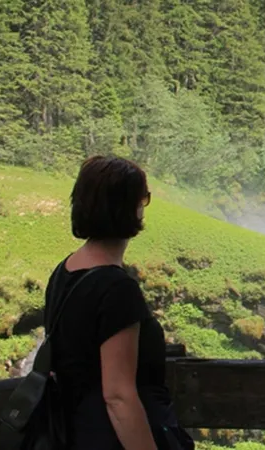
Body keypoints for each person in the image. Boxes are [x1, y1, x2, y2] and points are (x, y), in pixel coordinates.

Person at [47, 155, 192, 449]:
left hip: (75, 433)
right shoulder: (117, 289)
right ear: (127, 208)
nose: (144, 207)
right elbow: (118, 395)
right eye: (144, 198)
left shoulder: (64, 272)